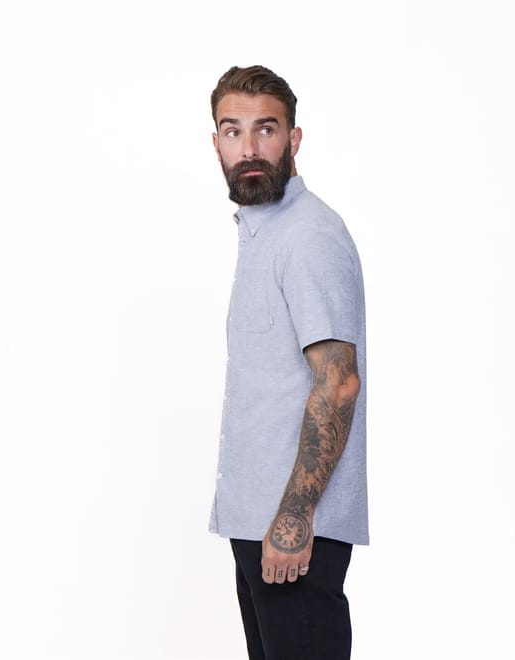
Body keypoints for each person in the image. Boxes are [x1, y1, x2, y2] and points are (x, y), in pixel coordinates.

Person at [208, 65, 368, 660]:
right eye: (233, 131)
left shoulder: (307, 236)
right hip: (260, 525)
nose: (249, 148)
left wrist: (293, 518)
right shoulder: (264, 234)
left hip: (293, 530)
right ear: (217, 143)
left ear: (293, 139)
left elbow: (338, 383)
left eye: (266, 130)